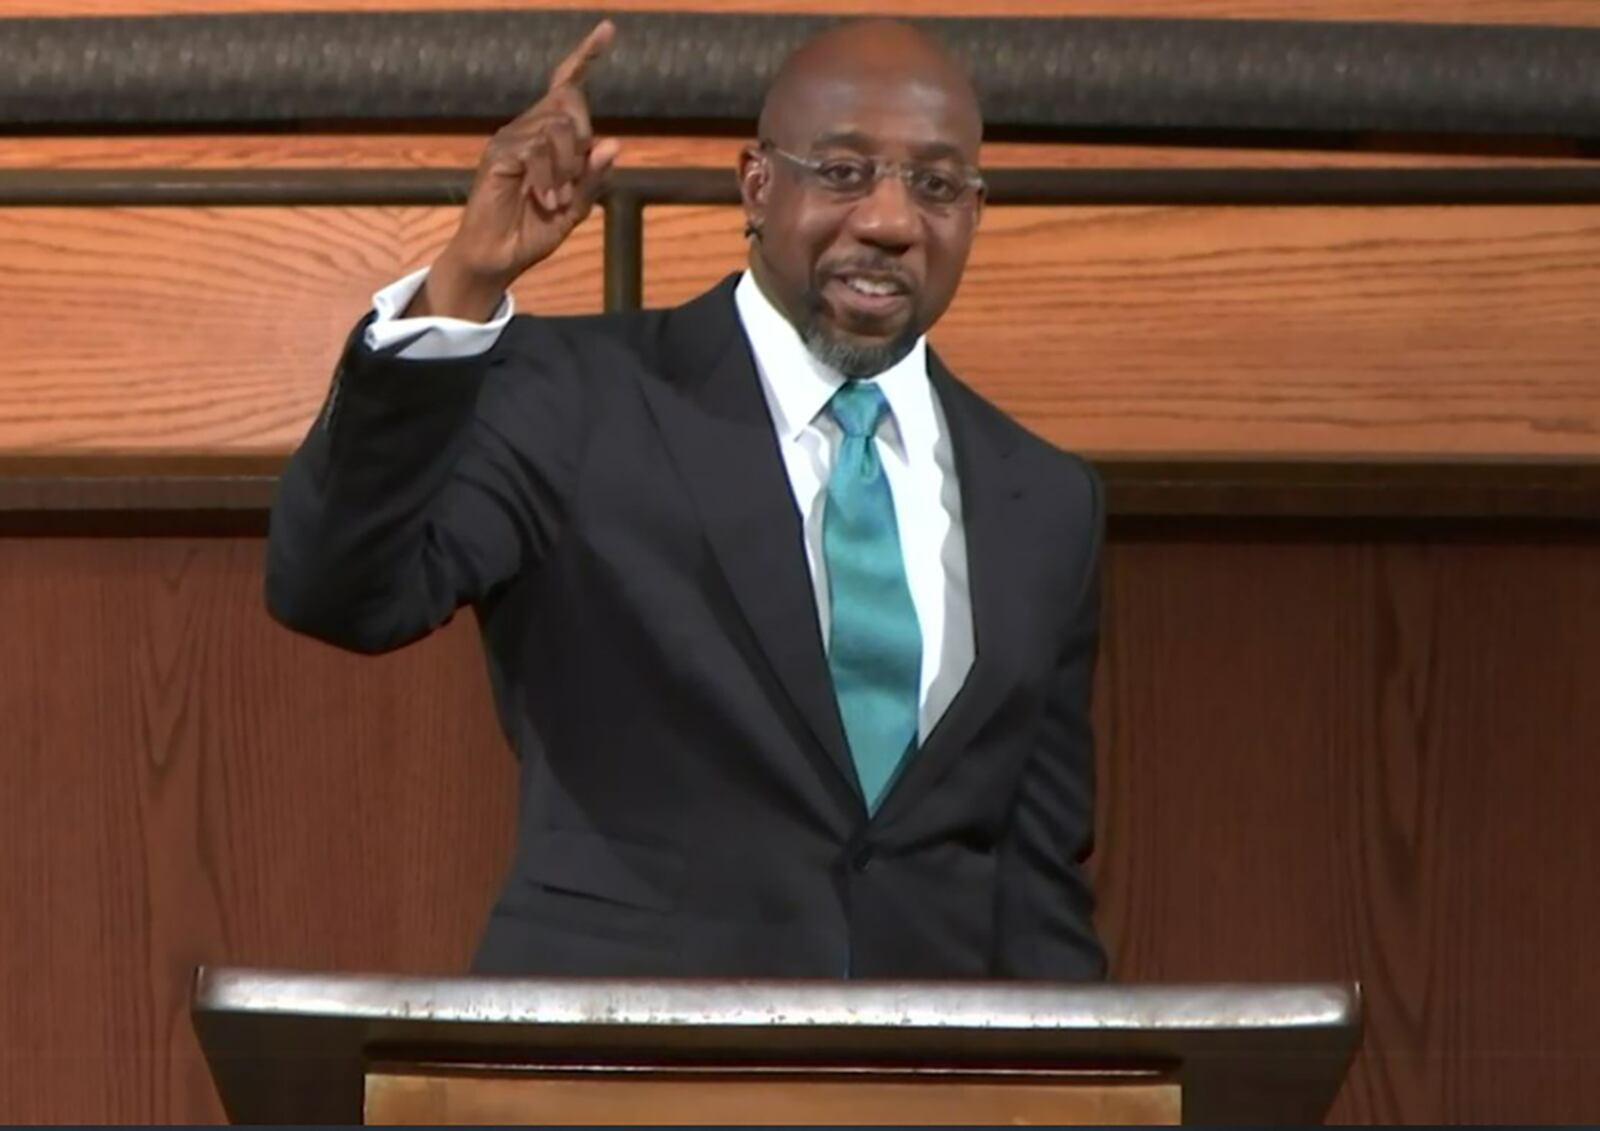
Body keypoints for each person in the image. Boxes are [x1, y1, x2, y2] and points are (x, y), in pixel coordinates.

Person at [266, 16, 1107, 980]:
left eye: (936, 183)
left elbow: (1038, 887)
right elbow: (336, 588)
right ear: (756, 184)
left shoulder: (1046, 500)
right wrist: (463, 283)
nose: (890, 220)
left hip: (927, 1085)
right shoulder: (578, 399)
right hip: (613, 1072)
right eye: (841, 171)